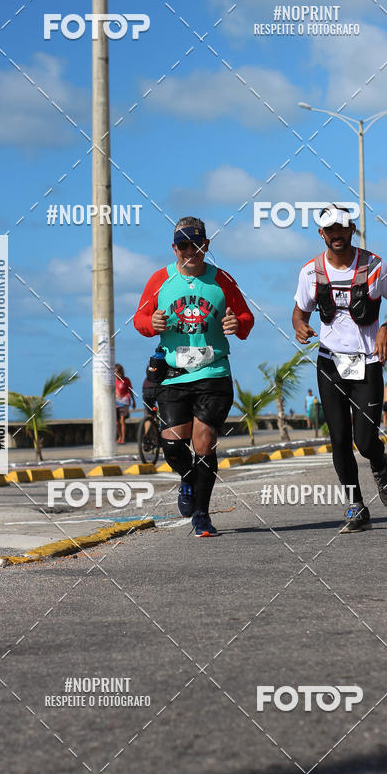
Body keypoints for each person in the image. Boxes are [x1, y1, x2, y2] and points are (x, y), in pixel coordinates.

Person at [134, 216, 254, 537]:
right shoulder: (160, 279)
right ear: (174, 248)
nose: (190, 251)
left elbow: (246, 317)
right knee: (173, 446)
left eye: (197, 245)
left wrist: (238, 324)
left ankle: (201, 514)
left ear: (206, 245)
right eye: (183, 245)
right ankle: (188, 478)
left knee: (204, 440)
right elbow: (140, 318)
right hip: (173, 374)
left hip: (213, 372)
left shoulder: (221, 280)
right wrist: (151, 324)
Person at [292, 205, 387, 533]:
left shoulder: (376, 267)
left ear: (352, 229)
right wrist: (299, 326)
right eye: (330, 230)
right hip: (330, 363)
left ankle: (379, 464)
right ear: (321, 234)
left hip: (367, 363)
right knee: (339, 437)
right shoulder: (311, 272)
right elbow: (299, 312)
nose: (336, 234)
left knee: (364, 441)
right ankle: (356, 506)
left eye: (342, 228)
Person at [115, 364, 136, 445]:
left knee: (122, 420)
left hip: (124, 401)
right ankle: (120, 436)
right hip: (115, 402)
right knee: (116, 422)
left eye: (117, 372)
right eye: (114, 372)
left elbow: (130, 391)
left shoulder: (126, 380)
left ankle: (123, 438)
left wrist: (134, 401)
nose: (116, 374)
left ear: (121, 372)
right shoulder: (113, 380)